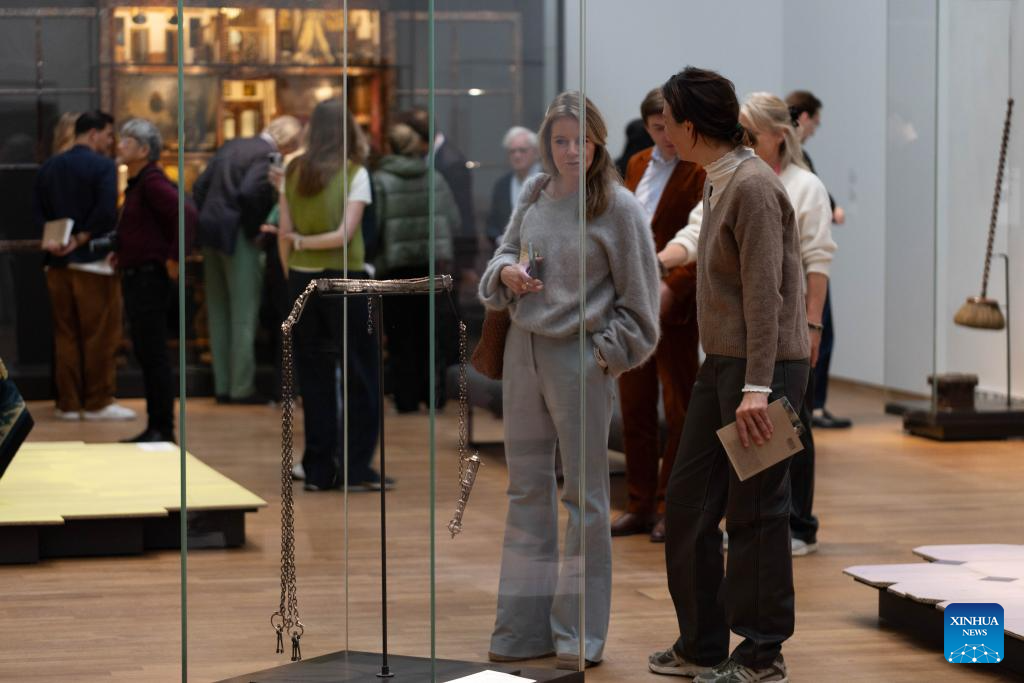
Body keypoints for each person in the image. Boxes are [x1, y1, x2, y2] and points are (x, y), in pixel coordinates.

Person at [479, 91, 659, 670]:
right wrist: (506, 273)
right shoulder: (535, 192)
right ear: (546, 143)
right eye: (559, 140)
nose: (570, 151)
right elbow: (503, 254)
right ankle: (521, 629)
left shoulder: (619, 207)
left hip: (579, 359)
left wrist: (602, 357)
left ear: (597, 143)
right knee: (525, 491)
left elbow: (642, 306)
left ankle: (577, 635)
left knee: (585, 499)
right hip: (522, 354)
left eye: (580, 140)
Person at [647, 67, 809, 683]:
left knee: (756, 512)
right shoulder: (719, 180)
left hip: (764, 373)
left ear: (691, 128)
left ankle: (763, 652)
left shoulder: (753, 187)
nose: (663, 133)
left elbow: (767, 297)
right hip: (722, 366)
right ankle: (703, 643)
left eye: (668, 122)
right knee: (688, 503)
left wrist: (757, 388)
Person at [277, 99, 385, 492]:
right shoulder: (355, 172)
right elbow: (345, 235)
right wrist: (306, 242)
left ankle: (319, 468)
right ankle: (355, 467)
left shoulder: (292, 170)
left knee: (314, 378)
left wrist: (297, 256)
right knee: (361, 374)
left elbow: (284, 233)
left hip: (302, 281)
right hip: (346, 280)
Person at [613, 88, 705, 543]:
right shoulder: (636, 164)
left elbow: (703, 241)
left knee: (680, 409)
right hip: (632, 304)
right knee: (634, 408)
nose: (666, 135)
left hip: (675, 307)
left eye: (672, 126)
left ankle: (673, 506)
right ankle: (640, 503)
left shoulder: (700, 168)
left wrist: (673, 287)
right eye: (657, 127)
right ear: (647, 127)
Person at [32, 110, 136, 422]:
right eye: (108, 134)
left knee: (65, 335)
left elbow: (38, 212)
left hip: (56, 262)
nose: (110, 141)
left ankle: (67, 403)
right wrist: (80, 238)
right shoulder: (103, 166)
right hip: (93, 263)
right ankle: (97, 402)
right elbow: (105, 212)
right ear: (93, 133)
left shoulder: (49, 166)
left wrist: (57, 240)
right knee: (100, 335)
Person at [193, 115, 302, 405]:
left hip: (211, 233)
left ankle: (222, 385)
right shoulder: (267, 155)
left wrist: (209, 217)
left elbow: (200, 186)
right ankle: (241, 387)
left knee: (217, 310)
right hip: (239, 234)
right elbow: (249, 192)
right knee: (243, 312)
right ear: (289, 141)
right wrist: (255, 229)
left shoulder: (231, 146)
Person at [113, 118, 197, 443]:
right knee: (147, 353)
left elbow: (186, 213)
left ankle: (162, 427)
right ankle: (156, 425)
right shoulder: (139, 182)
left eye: (128, 141)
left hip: (149, 279)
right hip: (137, 275)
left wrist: (175, 257)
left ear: (144, 150)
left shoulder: (151, 181)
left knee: (154, 354)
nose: (120, 145)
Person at [372, 121, 458, 414]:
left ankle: (406, 398)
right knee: (429, 333)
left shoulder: (381, 180)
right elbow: (453, 220)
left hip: (394, 266)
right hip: (430, 265)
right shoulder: (435, 177)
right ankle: (433, 395)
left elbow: (375, 225)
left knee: (400, 336)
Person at [786, 89, 852, 430]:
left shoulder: (799, 164)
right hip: (798, 265)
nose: (814, 130)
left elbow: (816, 191)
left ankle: (809, 407)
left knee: (815, 334)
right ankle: (811, 406)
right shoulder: (793, 159)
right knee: (817, 332)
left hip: (803, 261)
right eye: (815, 122)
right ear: (804, 118)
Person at [485, 126, 541, 246]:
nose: (517, 155)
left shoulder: (549, 181)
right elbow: (492, 225)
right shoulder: (502, 185)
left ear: (536, 152)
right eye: (512, 151)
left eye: (522, 150)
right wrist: (499, 239)